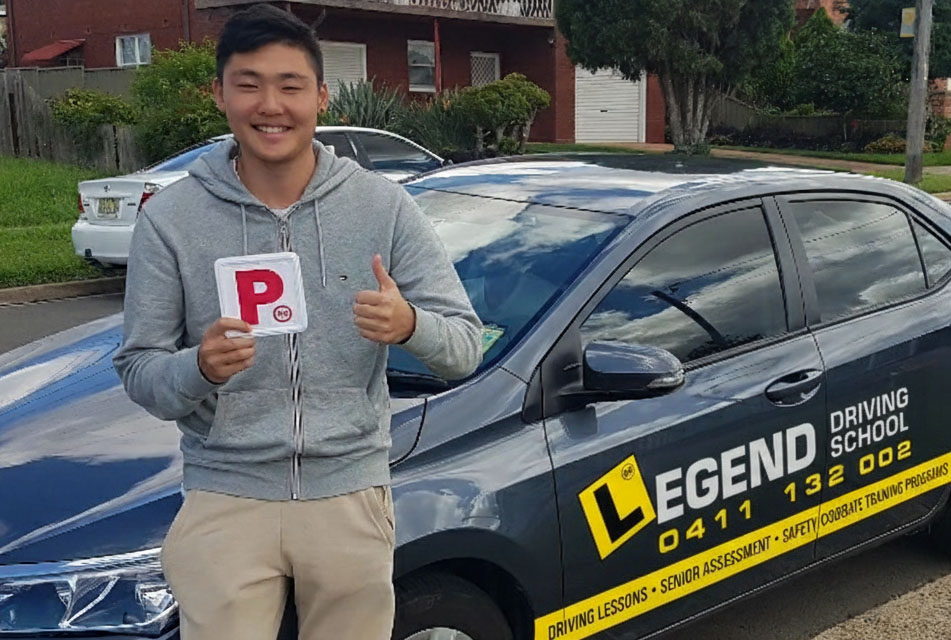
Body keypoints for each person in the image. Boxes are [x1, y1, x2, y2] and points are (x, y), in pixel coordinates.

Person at [112, 4, 483, 640]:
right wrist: (196, 367)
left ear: (321, 95)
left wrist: (410, 324)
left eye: (289, 85)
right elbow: (139, 369)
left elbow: (465, 348)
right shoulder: (171, 219)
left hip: (349, 495)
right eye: (248, 83)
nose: (270, 105)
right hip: (226, 496)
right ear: (220, 94)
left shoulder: (381, 206)